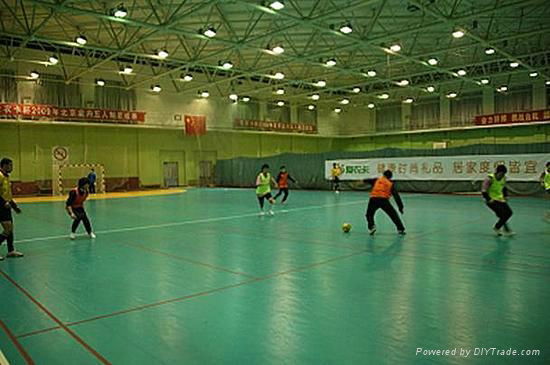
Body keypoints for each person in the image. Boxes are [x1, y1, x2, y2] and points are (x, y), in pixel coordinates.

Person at [365, 170, 405, 235]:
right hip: (383, 200)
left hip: (373, 199)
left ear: (383, 175)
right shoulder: (390, 184)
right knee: (393, 215)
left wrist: (362, 181)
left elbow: (367, 180)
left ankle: (372, 226)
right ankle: (400, 229)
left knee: (369, 214)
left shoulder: (376, 180)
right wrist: (400, 207)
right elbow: (396, 196)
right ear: (390, 177)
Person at [0, 158, 24, 260]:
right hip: (0, 207)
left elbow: (7, 194)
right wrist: (3, 203)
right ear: (4, 165)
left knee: (10, 229)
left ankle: (11, 251)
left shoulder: (6, 177)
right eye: (10, 165)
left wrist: (14, 206)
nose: (12, 167)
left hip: (6, 207)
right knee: (8, 229)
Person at [482, 164, 514, 236]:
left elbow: (504, 188)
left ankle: (504, 228)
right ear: (497, 172)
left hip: (500, 199)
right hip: (491, 200)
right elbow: (484, 191)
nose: (502, 176)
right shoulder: (489, 179)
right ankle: (499, 228)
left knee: (509, 213)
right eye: (501, 174)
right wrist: (488, 199)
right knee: (502, 214)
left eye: (504, 174)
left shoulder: (504, 178)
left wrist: (506, 196)